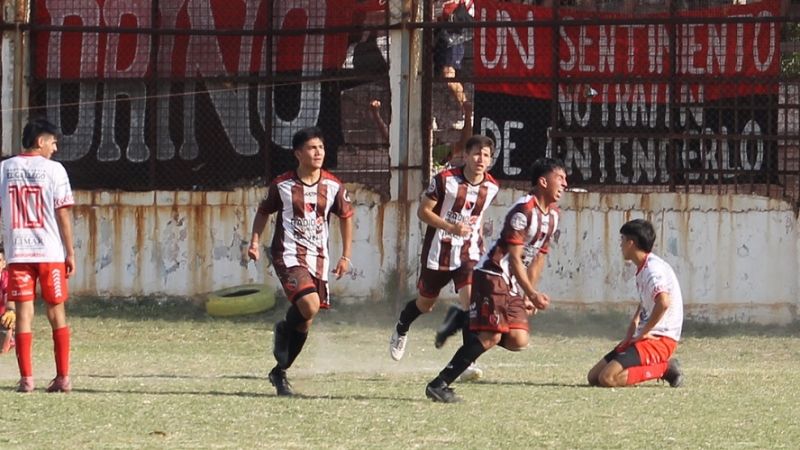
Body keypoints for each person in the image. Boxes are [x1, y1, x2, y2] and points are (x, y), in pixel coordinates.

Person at [424, 157, 567, 403]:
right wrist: (532, 294)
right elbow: (513, 259)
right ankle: (439, 384)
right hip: (492, 275)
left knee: (518, 340)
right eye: (560, 178)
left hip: (512, 283)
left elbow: (538, 257)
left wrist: (526, 294)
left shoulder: (553, 216)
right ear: (543, 182)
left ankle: (465, 318)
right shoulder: (524, 212)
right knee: (492, 337)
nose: (565, 183)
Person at [247, 127, 354, 397]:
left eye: (321, 147)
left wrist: (345, 256)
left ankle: (279, 372)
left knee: (306, 320)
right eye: (311, 148)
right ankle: (283, 327)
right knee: (309, 304)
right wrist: (255, 242)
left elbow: (346, 216)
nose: (318, 152)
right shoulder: (282, 185)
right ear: (298, 153)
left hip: (318, 257)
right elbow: (263, 212)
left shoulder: (333, 186)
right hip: (288, 254)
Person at [389, 135, 499, 381]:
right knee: (425, 304)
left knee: (471, 303)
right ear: (466, 156)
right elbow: (423, 212)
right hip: (439, 251)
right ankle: (402, 326)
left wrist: (481, 248)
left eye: (486, 155)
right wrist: (450, 227)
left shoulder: (492, 187)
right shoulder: (445, 180)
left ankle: (465, 362)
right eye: (476, 153)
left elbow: (477, 218)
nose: (481, 159)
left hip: (469, 253)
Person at [0, 117, 75, 393]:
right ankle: (63, 377)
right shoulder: (55, 171)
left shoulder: (4, 169)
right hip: (50, 252)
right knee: (57, 312)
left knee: (23, 314)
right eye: (53, 142)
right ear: (40, 141)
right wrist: (70, 251)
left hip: (19, 252)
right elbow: (63, 212)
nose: (55, 148)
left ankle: (27, 379)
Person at [586, 219, 685, 388]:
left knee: (607, 379)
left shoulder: (653, 269)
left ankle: (665, 368)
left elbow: (663, 302)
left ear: (631, 243)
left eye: (622, 240)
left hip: (660, 339)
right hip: (644, 336)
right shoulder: (643, 268)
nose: (620, 245)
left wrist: (644, 332)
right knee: (594, 377)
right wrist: (634, 325)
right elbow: (649, 301)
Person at [0, 247, 16, 353]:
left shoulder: (8, 280)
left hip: (2, 320)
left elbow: (12, 302)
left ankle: (4, 349)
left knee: (8, 320)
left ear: (4, 263)